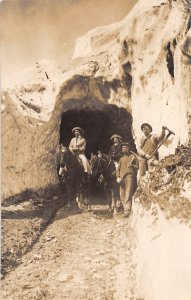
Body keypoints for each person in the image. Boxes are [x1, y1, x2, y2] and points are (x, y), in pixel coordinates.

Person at [116, 142, 138, 217]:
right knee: (122, 194)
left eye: (126, 148)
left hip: (129, 176)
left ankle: (128, 211)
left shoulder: (133, 157)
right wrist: (118, 177)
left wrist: (132, 165)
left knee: (128, 193)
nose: (124, 149)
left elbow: (138, 166)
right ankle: (125, 209)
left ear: (129, 149)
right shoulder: (121, 159)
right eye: (123, 148)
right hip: (121, 178)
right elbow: (118, 170)